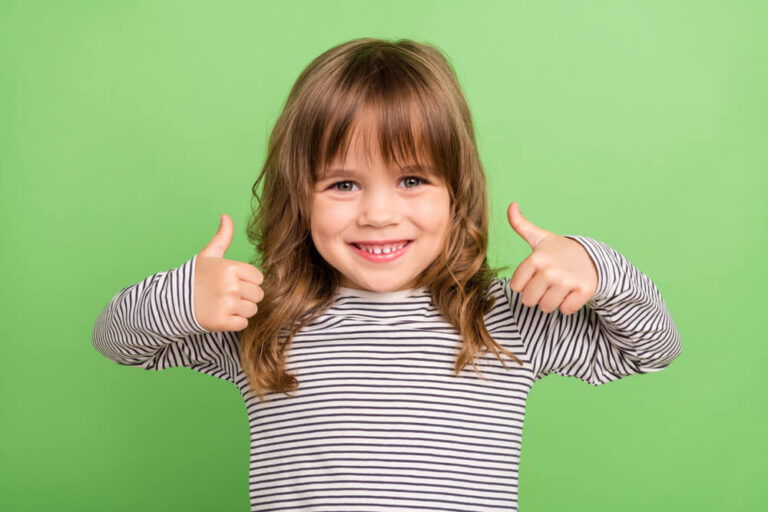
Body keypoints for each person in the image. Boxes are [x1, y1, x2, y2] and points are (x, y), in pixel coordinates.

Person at [92, 37, 682, 512]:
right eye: (343, 184)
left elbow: (651, 349)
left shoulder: (505, 320)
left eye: (412, 180)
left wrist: (599, 268)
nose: (377, 214)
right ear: (300, 197)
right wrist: (183, 297)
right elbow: (118, 341)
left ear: (458, 192)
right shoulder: (263, 316)